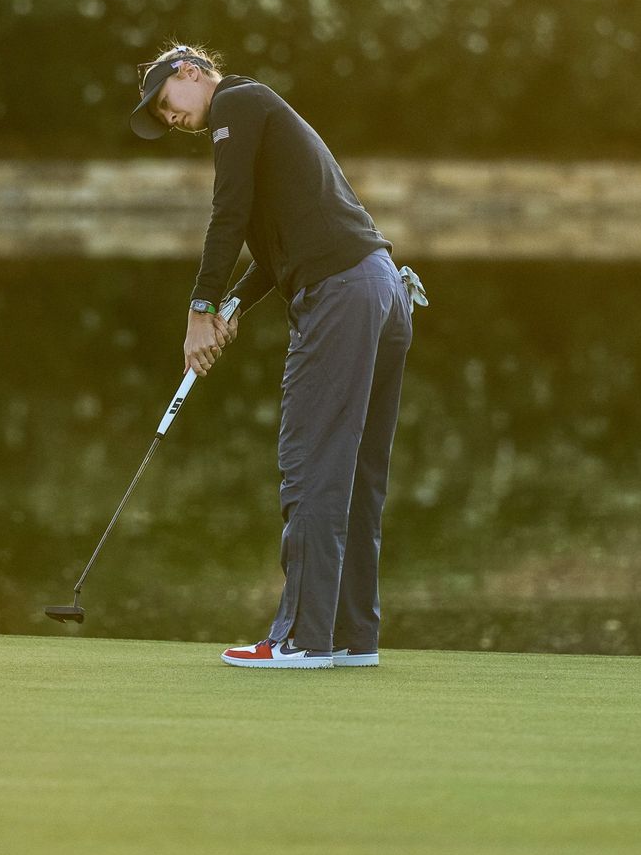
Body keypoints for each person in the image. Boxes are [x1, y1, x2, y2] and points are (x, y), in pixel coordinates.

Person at [129, 42, 426, 669]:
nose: (169, 118)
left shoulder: (239, 101)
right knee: (356, 476)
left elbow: (227, 215)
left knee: (311, 462)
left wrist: (198, 313)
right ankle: (349, 638)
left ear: (191, 72)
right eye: (160, 116)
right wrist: (232, 308)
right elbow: (272, 252)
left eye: (166, 102)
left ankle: (301, 639)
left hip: (344, 296)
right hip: (380, 290)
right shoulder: (258, 115)